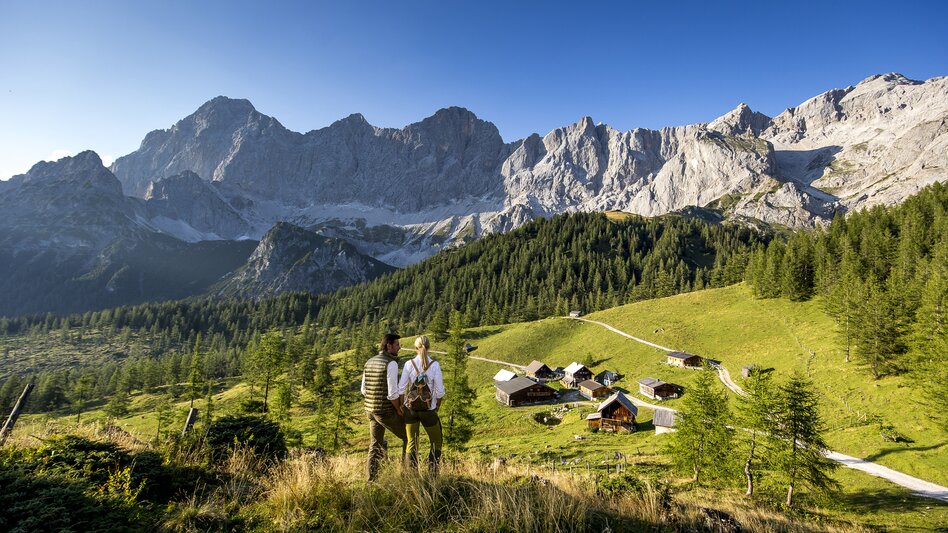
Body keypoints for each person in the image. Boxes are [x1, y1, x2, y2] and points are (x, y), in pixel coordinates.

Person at [361, 333, 407, 481]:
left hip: (370, 410)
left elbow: (363, 390)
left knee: (375, 444)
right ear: (389, 346)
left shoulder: (369, 361)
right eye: (397, 344)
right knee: (409, 437)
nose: (399, 347)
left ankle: (371, 480)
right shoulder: (391, 364)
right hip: (385, 411)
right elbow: (393, 393)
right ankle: (407, 475)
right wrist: (399, 410)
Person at [398, 335, 445, 474]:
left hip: (410, 409)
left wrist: (402, 405)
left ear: (415, 348)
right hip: (428, 410)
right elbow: (440, 391)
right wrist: (436, 406)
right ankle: (432, 475)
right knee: (436, 442)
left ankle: (412, 477)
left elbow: (401, 388)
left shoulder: (408, 364)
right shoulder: (434, 365)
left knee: (411, 443)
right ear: (428, 347)